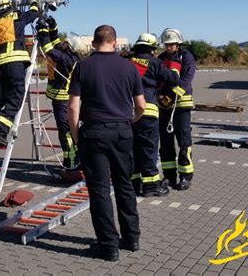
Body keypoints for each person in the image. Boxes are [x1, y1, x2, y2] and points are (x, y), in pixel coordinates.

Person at [68, 25, 146, 261]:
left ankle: (109, 246)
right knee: (125, 186)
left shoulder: (82, 67)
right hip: (123, 133)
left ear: (93, 43)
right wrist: (130, 121)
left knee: (100, 190)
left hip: (94, 133)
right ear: (114, 43)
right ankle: (131, 239)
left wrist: (75, 135)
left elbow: (73, 107)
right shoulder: (129, 67)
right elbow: (141, 105)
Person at [0, 0, 38, 148]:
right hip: (14, 64)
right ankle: (0, 133)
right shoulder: (16, 18)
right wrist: (33, 1)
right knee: (15, 99)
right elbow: (34, 13)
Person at [127, 33, 180, 197]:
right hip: (148, 110)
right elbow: (173, 80)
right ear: (151, 49)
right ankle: (151, 187)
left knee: (132, 149)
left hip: (128, 112)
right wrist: (175, 66)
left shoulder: (127, 61)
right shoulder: (155, 63)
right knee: (148, 149)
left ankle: (134, 184)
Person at [36, 17, 81, 169]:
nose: (63, 42)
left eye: (66, 42)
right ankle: (74, 160)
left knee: (66, 131)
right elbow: (55, 42)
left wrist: (42, 31)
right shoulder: (66, 54)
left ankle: (72, 161)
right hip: (61, 99)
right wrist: (53, 27)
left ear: (70, 47)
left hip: (62, 100)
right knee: (67, 131)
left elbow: (49, 48)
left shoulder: (67, 59)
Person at [158, 28, 196, 191]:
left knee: (183, 141)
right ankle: (169, 175)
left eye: (172, 45)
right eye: (167, 45)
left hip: (181, 105)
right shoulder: (160, 58)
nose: (169, 48)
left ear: (178, 43)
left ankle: (185, 176)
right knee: (166, 143)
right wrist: (160, 95)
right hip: (164, 106)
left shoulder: (186, 56)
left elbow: (187, 78)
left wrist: (173, 95)